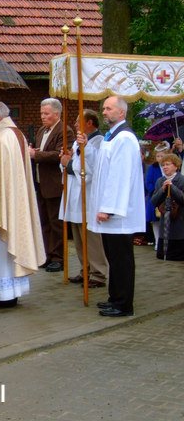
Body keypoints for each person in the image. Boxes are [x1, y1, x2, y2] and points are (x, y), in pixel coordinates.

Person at [80, 96, 144, 317]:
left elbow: (119, 176)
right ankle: (115, 297)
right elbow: (102, 167)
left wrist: (108, 208)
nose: (104, 112)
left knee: (121, 258)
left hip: (118, 213)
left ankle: (124, 304)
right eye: (104, 108)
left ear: (122, 112)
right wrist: (85, 146)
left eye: (109, 108)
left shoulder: (124, 138)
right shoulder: (112, 136)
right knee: (114, 257)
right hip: (111, 211)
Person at [0, 102, 45, 306]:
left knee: (1, 248)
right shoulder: (16, 133)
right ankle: (12, 292)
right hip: (17, 200)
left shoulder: (0, 138)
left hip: (3, 204)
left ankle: (3, 295)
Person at [60, 109, 109, 288]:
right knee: (79, 238)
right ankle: (85, 269)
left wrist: (69, 163)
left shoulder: (98, 143)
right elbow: (68, 165)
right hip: (75, 196)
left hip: (88, 197)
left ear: (89, 123)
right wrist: (65, 159)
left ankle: (98, 273)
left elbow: (90, 170)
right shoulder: (78, 142)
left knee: (91, 239)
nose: (74, 123)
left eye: (79, 120)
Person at [29, 97, 75, 272]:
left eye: (46, 113)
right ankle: (47, 254)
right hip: (41, 181)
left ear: (56, 114)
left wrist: (36, 155)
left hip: (55, 183)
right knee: (44, 221)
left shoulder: (65, 131)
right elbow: (45, 151)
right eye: (41, 113)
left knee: (56, 222)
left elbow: (59, 154)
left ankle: (59, 257)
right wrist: (35, 152)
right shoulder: (41, 130)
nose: (42, 116)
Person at [150, 153, 184, 261]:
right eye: (163, 165)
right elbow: (154, 201)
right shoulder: (160, 181)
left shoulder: (182, 180)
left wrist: (172, 187)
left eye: (168, 164)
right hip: (164, 221)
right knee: (163, 256)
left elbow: (182, 199)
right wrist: (162, 189)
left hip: (179, 222)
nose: (165, 167)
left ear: (176, 166)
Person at [145, 141, 170, 250]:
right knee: (155, 220)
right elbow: (148, 182)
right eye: (158, 156)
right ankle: (157, 242)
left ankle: (166, 241)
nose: (159, 158)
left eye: (162, 156)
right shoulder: (153, 167)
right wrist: (156, 191)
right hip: (155, 196)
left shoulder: (169, 166)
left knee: (167, 219)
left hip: (168, 196)